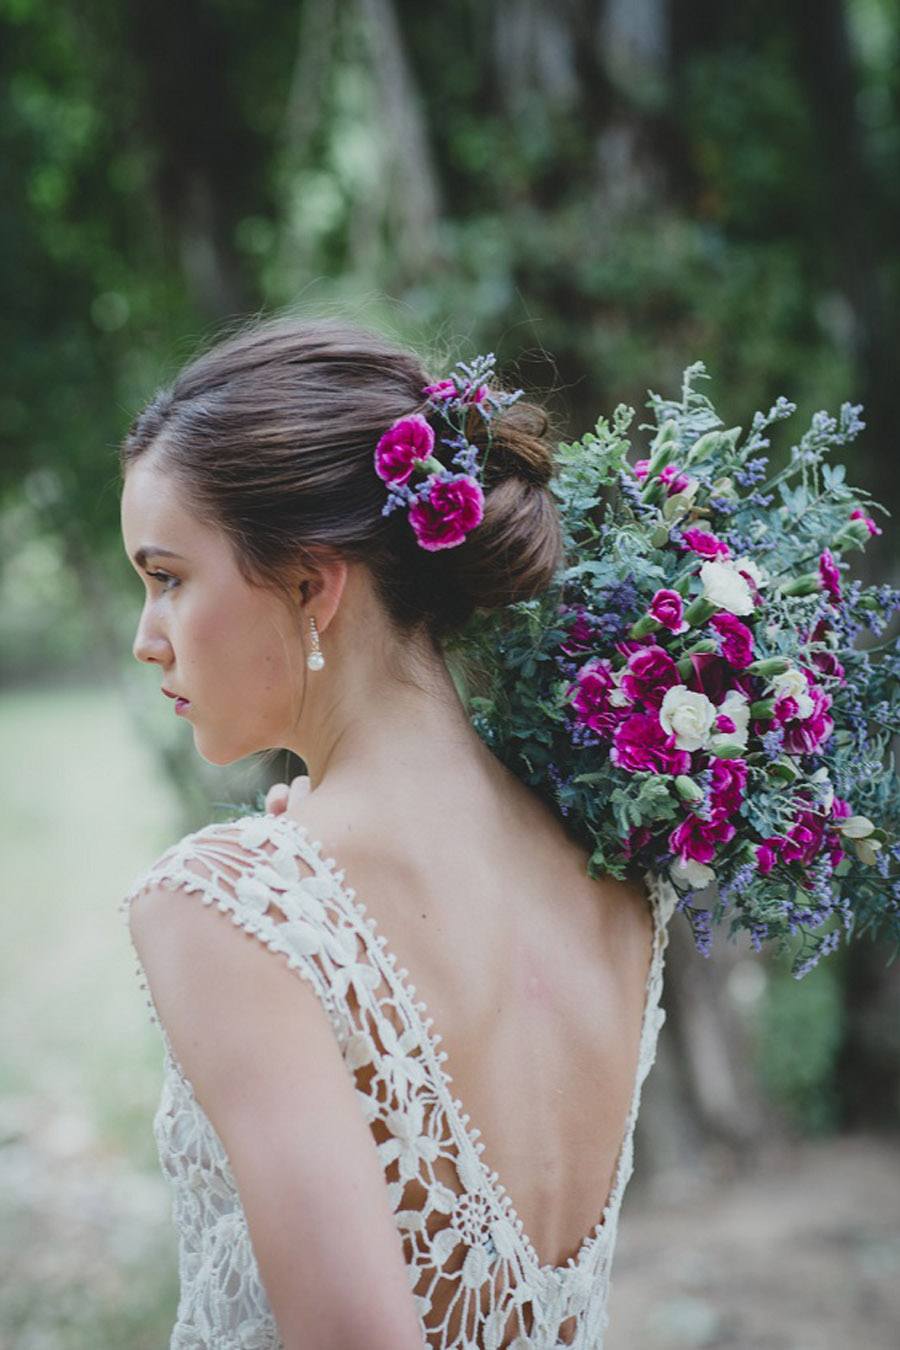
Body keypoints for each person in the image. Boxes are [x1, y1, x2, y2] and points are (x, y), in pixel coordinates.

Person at [118, 313, 676, 1349]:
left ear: (310, 585)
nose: (149, 639)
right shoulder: (619, 884)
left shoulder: (229, 909)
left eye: (168, 578)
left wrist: (279, 902)